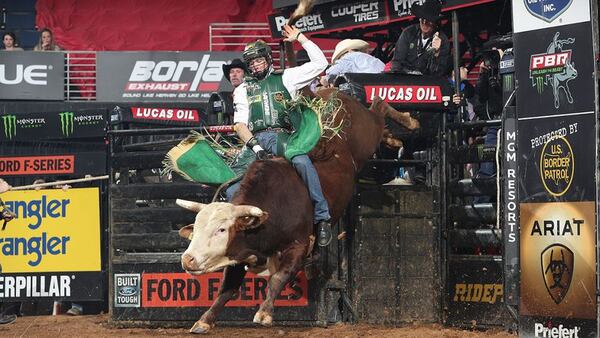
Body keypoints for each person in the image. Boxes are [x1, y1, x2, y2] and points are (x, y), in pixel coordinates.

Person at [229, 24, 333, 247]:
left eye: (258, 60)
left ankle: (322, 218)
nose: (255, 65)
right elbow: (239, 125)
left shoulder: (287, 77)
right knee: (229, 187)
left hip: (283, 138)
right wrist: (256, 148)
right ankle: (236, 234)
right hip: (254, 141)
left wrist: (301, 38)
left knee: (303, 164)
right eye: (251, 63)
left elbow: (321, 64)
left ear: (267, 59)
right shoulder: (242, 89)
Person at [390, 0, 449, 76]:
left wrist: (436, 53)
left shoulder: (443, 40)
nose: (424, 23)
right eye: (422, 19)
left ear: (435, 22)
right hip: (404, 77)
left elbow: (438, 73)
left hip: (427, 82)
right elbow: (397, 62)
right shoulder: (408, 32)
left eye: (428, 21)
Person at [320, 39, 385, 87]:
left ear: (348, 51)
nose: (340, 59)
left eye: (340, 56)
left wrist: (326, 78)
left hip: (365, 91)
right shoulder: (373, 59)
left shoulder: (349, 57)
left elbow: (333, 72)